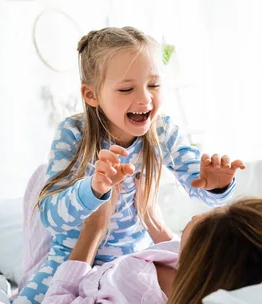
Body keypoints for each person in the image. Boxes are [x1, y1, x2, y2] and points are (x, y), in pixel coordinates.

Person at [15, 26, 245, 303]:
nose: (145, 98)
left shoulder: (163, 131)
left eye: (154, 85)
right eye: (126, 88)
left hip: (135, 261)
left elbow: (200, 189)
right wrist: (93, 190)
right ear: (91, 95)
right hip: (71, 259)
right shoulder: (74, 134)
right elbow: (51, 217)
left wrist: (217, 185)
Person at [42, 194, 262, 303]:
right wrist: (152, 220)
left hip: (71, 277)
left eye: (204, 223)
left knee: (42, 186)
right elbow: (177, 252)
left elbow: (56, 300)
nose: (198, 215)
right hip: (103, 263)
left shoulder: (137, 295)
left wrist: (93, 232)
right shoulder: (187, 264)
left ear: (207, 253)